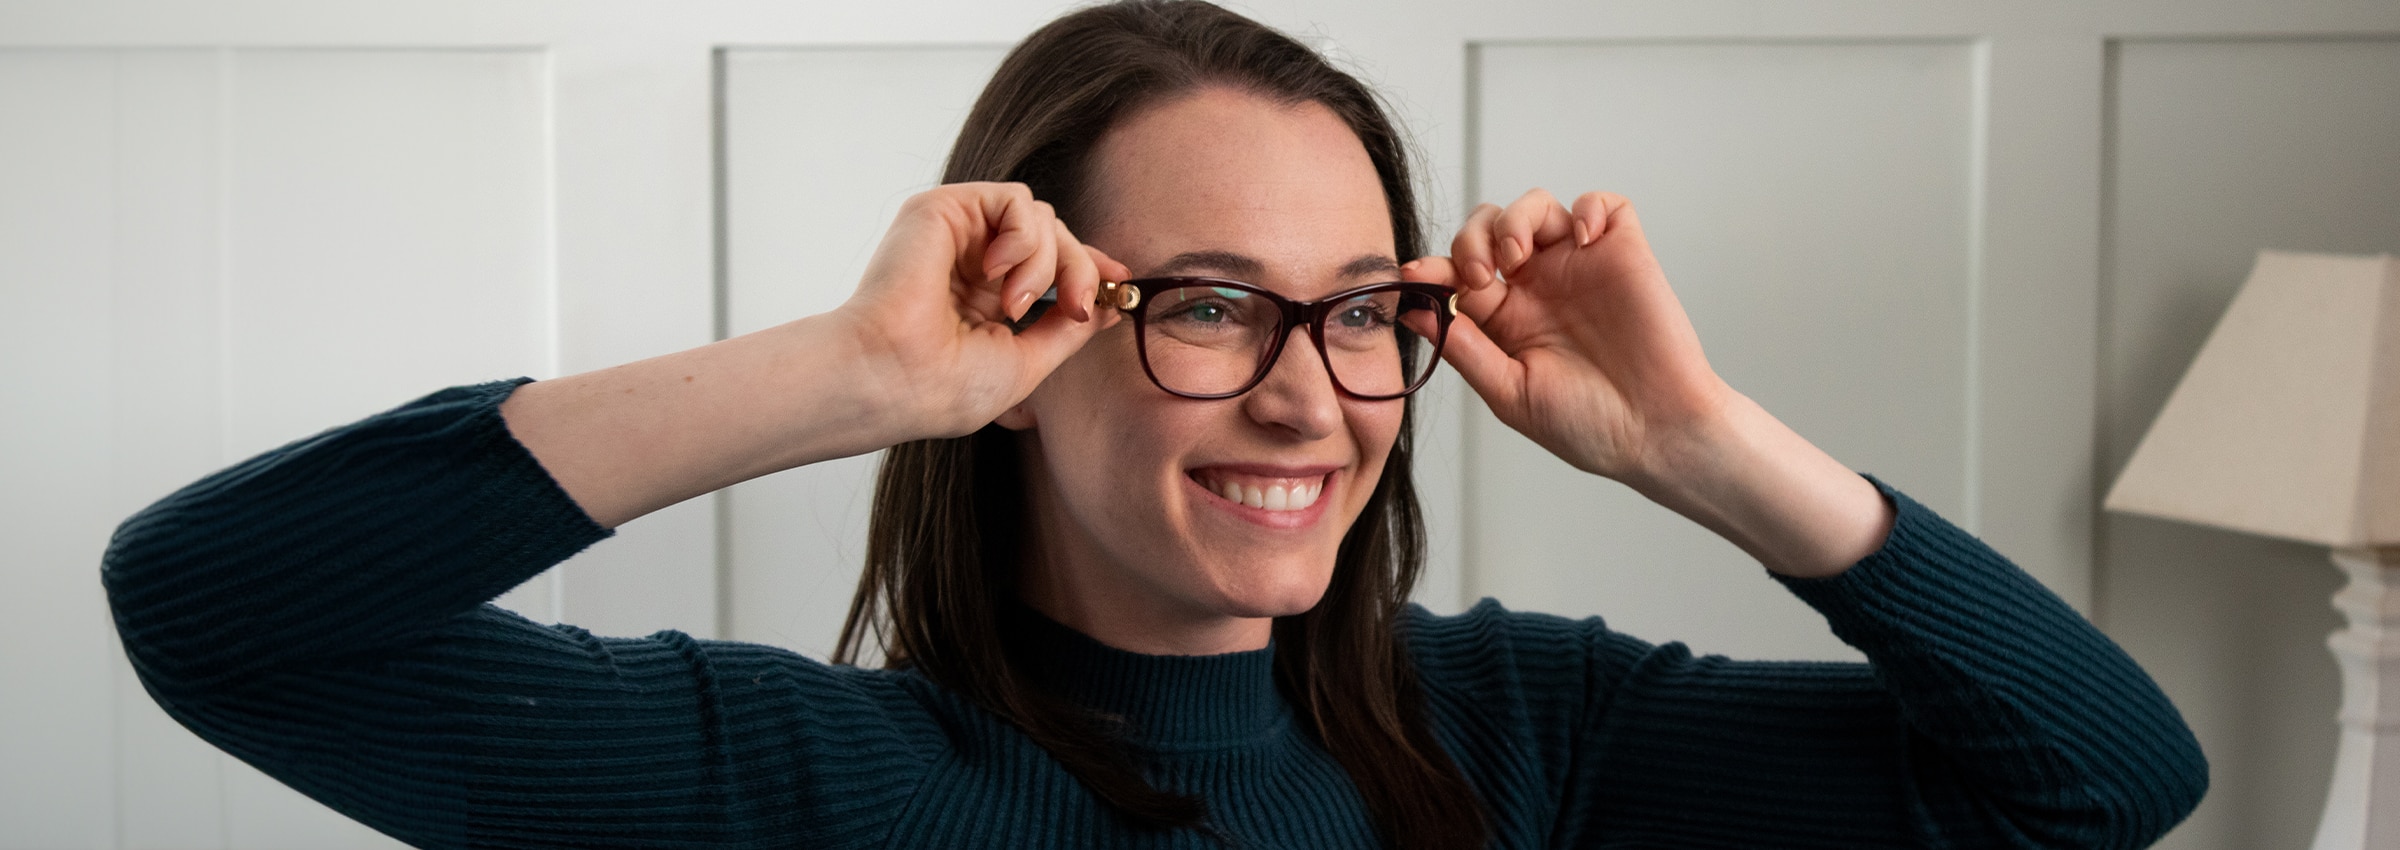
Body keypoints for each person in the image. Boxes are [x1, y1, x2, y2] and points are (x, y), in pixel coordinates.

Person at [102, 1, 2207, 847]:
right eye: (1204, 305)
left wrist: (1694, 438)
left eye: (1365, 309)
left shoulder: (1529, 738)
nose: (1306, 386)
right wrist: (848, 375)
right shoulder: (803, 778)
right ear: (1021, 344)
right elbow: (217, 611)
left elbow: (2108, 781)